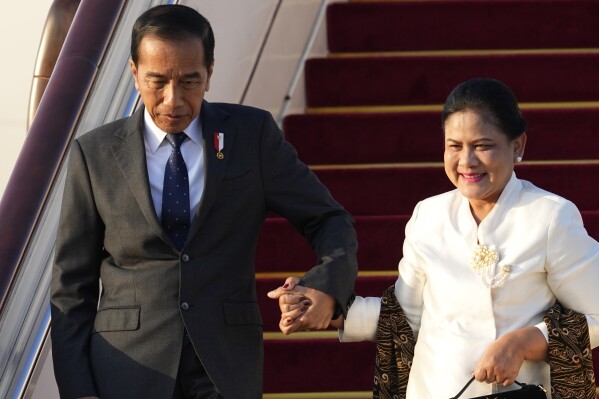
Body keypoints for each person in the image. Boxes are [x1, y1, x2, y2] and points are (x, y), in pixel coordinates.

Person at [50, 4, 357, 399]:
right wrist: (78, 390)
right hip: (125, 369)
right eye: (156, 81)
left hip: (224, 365)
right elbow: (71, 288)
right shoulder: (94, 154)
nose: (172, 100)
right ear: (133, 73)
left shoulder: (252, 136)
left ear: (210, 73)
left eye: (189, 81)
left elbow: (330, 220)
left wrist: (326, 287)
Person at [269, 78, 599, 397]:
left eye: (483, 146)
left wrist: (524, 342)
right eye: (454, 146)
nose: (467, 162)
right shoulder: (428, 216)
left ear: (518, 145)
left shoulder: (549, 216)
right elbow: (405, 315)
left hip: (515, 392)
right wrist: (332, 306)